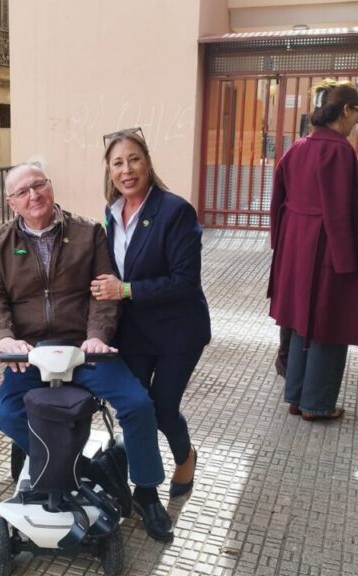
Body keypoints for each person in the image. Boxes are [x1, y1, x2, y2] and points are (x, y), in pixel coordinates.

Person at [0, 162, 174, 542]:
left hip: (83, 348)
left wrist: (97, 335)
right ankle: (81, 469)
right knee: (6, 413)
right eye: (22, 192)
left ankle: (147, 493)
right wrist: (3, 338)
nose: (33, 195)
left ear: (51, 186)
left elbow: (104, 293)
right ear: (11, 203)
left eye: (38, 185)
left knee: (137, 404)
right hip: (30, 352)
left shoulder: (88, 232)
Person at [92, 128, 211, 498]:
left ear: (147, 163)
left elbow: (184, 281)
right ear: (109, 171)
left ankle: (185, 456)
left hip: (178, 332)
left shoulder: (175, 211)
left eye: (134, 160)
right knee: (135, 406)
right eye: (118, 163)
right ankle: (144, 485)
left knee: (162, 408)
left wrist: (125, 290)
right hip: (134, 332)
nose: (126, 170)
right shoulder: (112, 213)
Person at [268, 79, 358, 421]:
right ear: (345, 110)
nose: (356, 122)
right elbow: (351, 210)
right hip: (330, 248)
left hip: (296, 248)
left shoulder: (297, 148)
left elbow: (278, 202)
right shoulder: (340, 152)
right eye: (357, 115)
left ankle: (296, 396)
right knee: (329, 322)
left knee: (300, 321)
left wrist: (282, 247)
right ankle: (317, 404)